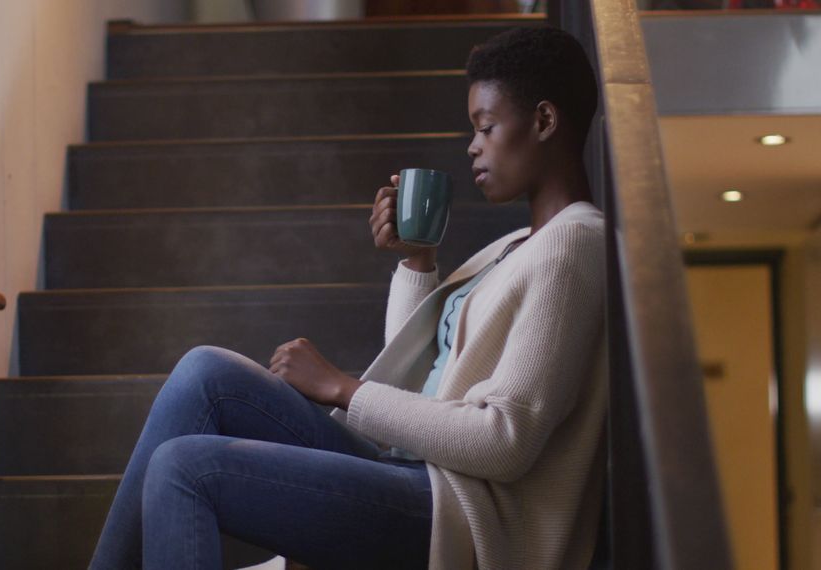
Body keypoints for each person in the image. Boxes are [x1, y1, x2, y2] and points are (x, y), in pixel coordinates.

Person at [88, 25, 606, 570]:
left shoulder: (574, 245)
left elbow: (504, 440)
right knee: (204, 374)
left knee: (184, 467)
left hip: (463, 516)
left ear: (544, 121)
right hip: (414, 471)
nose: (472, 145)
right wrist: (417, 259)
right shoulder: (519, 245)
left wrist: (340, 387)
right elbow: (420, 377)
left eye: (487, 126)